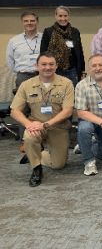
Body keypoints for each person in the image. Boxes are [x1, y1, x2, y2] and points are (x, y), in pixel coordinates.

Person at [10, 52, 74, 187]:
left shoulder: (66, 83)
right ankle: (36, 169)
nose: (47, 67)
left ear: (56, 66)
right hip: (35, 124)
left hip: (58, 126)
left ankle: (33, 153)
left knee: (58, 165)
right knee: (29, 137)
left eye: (51, 64)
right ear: (37, 66)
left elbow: (68, 111)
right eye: (43, 64)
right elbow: (15, 111)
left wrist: (45, 124)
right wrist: (29, 124)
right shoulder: (26, 85)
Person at [40, 6, 85, 86]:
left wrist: (82, 70)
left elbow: (79, 52)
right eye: (60, 16)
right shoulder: (48, 32)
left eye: (65, 16)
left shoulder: (75, 31)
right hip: (55, 70)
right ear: (56, 16)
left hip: (72, 70)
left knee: (72, 94)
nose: (63, 18)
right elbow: (43, 52)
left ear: (69, 16)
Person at [6, 11, 42, 88]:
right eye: (26, 21)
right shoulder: (14, 41)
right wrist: (17, 74)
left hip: (42, 75)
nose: (29, 23)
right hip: (22, 76)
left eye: (32, 21)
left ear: (37, 22)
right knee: (23, 100)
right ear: (22, 23)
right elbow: (10, 60)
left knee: (42, 99)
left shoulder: (45, 38)